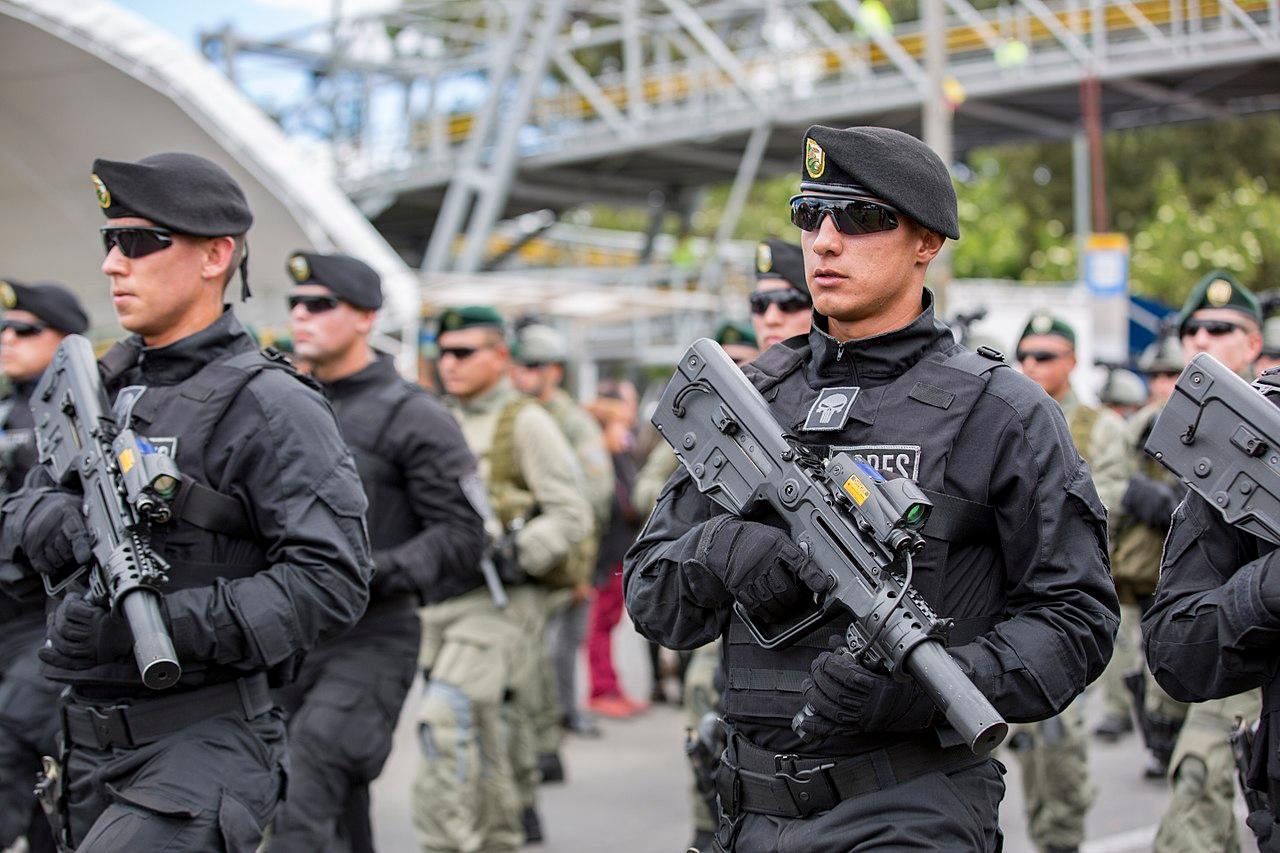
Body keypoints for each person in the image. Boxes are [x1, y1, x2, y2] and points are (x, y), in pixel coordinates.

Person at [625, 125, 1118, 852]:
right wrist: (715, 550)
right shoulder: (751, 399)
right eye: (809, 216)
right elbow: (653, 598)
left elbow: (1077, 619)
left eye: (859, 218)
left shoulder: (1002, 412)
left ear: (928, 242)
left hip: (907, 808)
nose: (824, 242)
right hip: (748, 810)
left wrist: (929, 686)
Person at [0, 153, 371, 849]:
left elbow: (331, 581)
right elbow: (18, 515)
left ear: (216, 254)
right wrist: (49, 522)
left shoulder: (272, 403)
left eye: (140, 242)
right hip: (85, 741)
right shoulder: (98, 387)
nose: (115, 263)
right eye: (110, 241)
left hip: (202, 739)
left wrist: (165, 625)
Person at [271, 252, 486, 851]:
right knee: (321, 803)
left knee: (304, 792)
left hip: (370, 639)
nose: (301, 315)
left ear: (366, 316)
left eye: (320, 303)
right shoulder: (283, 405)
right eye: (295, 303)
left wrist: (371, 571)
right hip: (285, 639)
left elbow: (466, 535)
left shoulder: (414, 415)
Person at [415, 305, 590, 850]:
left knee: (445, 719)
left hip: (501, 602)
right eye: (442, 353)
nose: (450, 363)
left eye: (464, 352)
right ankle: (500, 837)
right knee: (486, 738)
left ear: (500, 356)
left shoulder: (527, 421)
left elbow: (573, 511)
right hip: (440, 603)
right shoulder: (435, 417)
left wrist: (519, 554)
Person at [1143, 271, 1266, 853]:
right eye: (1194, 329)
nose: (1202, 339)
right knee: (1193, 792)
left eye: (1221, 328)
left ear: (1256, 342)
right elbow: (1175, 645)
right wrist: (1266, 587)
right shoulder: (1190, 433)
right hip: (1241, 662)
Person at [1010, 313, 1131, 853]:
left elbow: (1103, 505)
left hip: (1059, 603)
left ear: (1072, 361)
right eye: (1026, 356)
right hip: (995, 606)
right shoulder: (1000, 415)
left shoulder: (1097, 427)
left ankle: (1059, 839)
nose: (1033, 366)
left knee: (1057, 741)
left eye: (1047, 356)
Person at [0, 281, 89, 853]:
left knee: (15, 749)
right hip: (5, 623)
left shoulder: (77, 414)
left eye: (26, 329)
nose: (8, 339)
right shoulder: (7, 409)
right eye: (4, 329)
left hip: (46, 620)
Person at [510, 323, 614, 775]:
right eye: (519, 365)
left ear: (554, 371)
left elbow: (594, 495)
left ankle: (549, 742)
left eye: (532, 366)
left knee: (553, 653)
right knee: (524, 660)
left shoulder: (572, 422)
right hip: (524, 559)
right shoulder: (512, 416)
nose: (523, 375)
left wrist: (580, 573)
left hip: (563, 560)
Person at [1112, 334, 1189, 779]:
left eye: (1171, 374)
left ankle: (1172, 737)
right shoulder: (1135, 429)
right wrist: (1134, 494)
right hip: (1139, 566)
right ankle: (1157, 743)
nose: (1163, 384)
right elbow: (1108, 482)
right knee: (1137, 661)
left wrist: (1172, 500)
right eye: (1156, 376)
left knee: (1176, 652)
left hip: (1180, 563)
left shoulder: (1200, 422)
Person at [584, 382, 647, 719]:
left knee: (607, 624)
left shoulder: (619, 455)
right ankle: (601, 690)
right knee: (599, 626)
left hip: (619, 550)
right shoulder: (600, 457)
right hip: (605, 553)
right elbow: (619, 504)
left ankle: (612, 687)